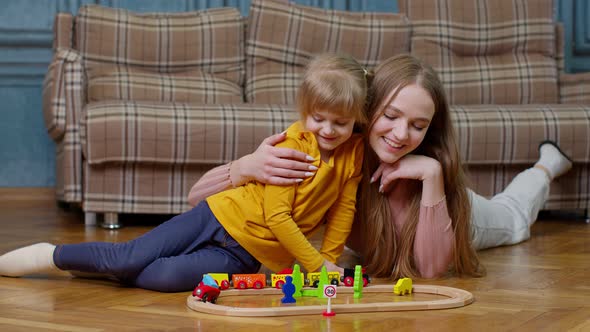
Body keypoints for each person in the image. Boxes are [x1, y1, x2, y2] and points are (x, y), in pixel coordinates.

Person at [0, 53, 369, 291]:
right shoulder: (292, 146)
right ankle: (52, 255)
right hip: (216, 216)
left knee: (158, 277)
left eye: (340, 122)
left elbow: (342, 211)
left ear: (357, 119)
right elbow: (276, 216)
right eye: (318, 118)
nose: (328, 130)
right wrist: (314, 262)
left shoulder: (353, 154)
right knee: (128, 257)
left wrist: (329, 265)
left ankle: (101, 266)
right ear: (306, 110)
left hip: (244, 256)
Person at [187, 54, 573, 280]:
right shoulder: (330, 151)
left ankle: (545, 166)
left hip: (452, 216)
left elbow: (432, 268)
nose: (401, 134)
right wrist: (243, 167)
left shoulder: (427, 176)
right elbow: (195, 200)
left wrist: (434, 178)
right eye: (390, 115)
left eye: (418, 126)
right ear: (365, 111)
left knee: (514, 217)